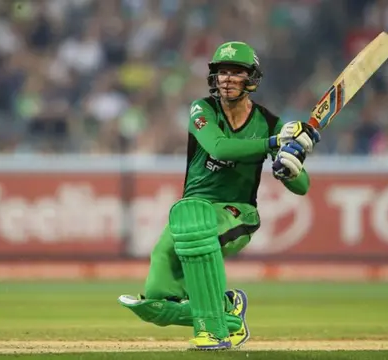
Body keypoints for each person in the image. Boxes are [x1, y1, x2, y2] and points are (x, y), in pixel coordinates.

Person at [117, 41, 321, 350]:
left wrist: (290, 168)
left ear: (251, 78)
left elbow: (302, 186)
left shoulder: (268, 123)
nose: (226, 78)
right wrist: (275, 143)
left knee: (200, 229)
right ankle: (227, 313)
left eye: (235, 72)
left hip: (237, 212)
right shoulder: (203, 109)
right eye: (221, 72)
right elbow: (219, 147)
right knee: (157, 297)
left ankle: (212, 332)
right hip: (192, 211)